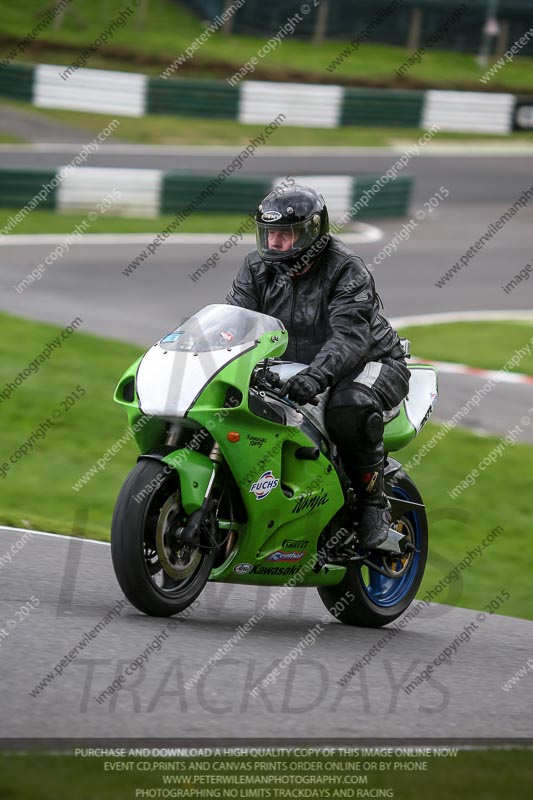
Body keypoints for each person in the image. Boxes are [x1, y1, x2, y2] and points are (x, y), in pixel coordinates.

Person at [225, 184, 410, 551]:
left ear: (311, 233)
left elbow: (349, 338)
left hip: (371, 362)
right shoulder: (255, 267)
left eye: (286, 234)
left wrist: (314, 375)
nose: (275, 243)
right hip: (296, 367)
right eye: (270, 233)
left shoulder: (346, 269)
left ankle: (374, 504)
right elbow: (234, 322)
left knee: (349, 407)